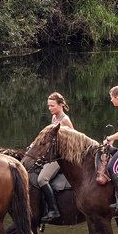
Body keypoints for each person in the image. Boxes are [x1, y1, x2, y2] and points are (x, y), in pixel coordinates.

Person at [37, 92, 74, 222]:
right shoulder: (54, 118)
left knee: (42, 179)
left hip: (61, 157)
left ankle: (54, 210)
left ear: (61, 105)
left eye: (52, 106)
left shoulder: (65, 120)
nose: (49, 108)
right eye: (48, 106)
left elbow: (73, 141)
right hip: (52, 154)